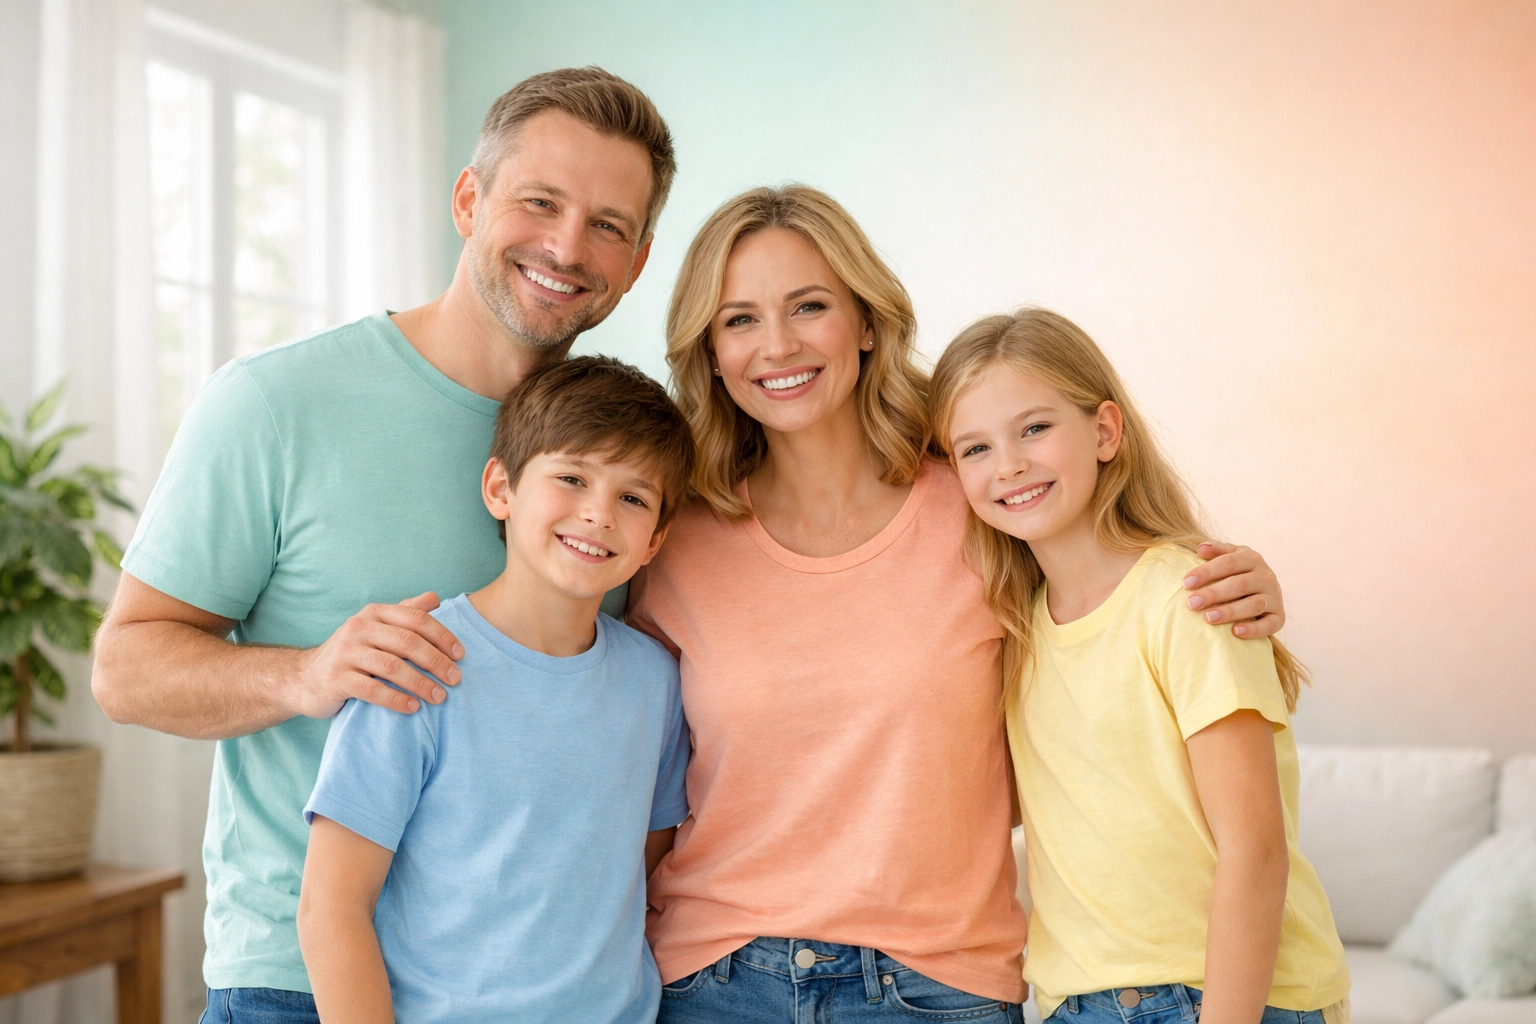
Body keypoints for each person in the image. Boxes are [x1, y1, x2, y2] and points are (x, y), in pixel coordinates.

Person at [90, 67, 675, 1024]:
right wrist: (305, 676)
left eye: (608, 224)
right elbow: (123, 668)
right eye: (540, 202)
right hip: (295, 981)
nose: (568, 246)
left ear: (639, 259)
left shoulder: (620, 467)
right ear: (468, 199)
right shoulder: (275, 405)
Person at [629, 185, 1291, 1022]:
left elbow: (1116, 589)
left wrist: (1239, 579)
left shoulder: (980, 497)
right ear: (709, 350)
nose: (779, 344)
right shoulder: (670, 533)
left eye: (809, 306)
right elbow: (611, 741)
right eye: (739, 320)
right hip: (714, 980)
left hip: (936, 987)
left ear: (866, 322)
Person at [929, 308, 1350, 1024]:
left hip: (1230, 1001)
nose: (1009, 465)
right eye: (974, 448)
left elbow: (1255, 852)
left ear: (1104, 432)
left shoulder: (1189, 599)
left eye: (1034, 428)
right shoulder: (1015, 634)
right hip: (1079, 1004)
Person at [296, 357, 693, 1024]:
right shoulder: (416, 663)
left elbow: (641, 861)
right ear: (500, 488)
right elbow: (330, 907)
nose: (598, 514)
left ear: (654, 540)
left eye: (633, 497)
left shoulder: (655, 683)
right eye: (572, 478)